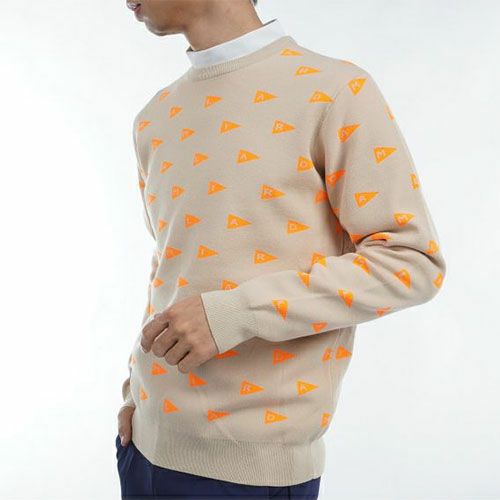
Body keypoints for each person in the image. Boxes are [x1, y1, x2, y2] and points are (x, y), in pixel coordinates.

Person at [115, 0, 447, 498]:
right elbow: (171, 264)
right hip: (142, 443)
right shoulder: (154, 117)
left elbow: (411, 262)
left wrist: (237, 313)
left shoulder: (334, 90)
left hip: (250, 471)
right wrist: (133, 393)